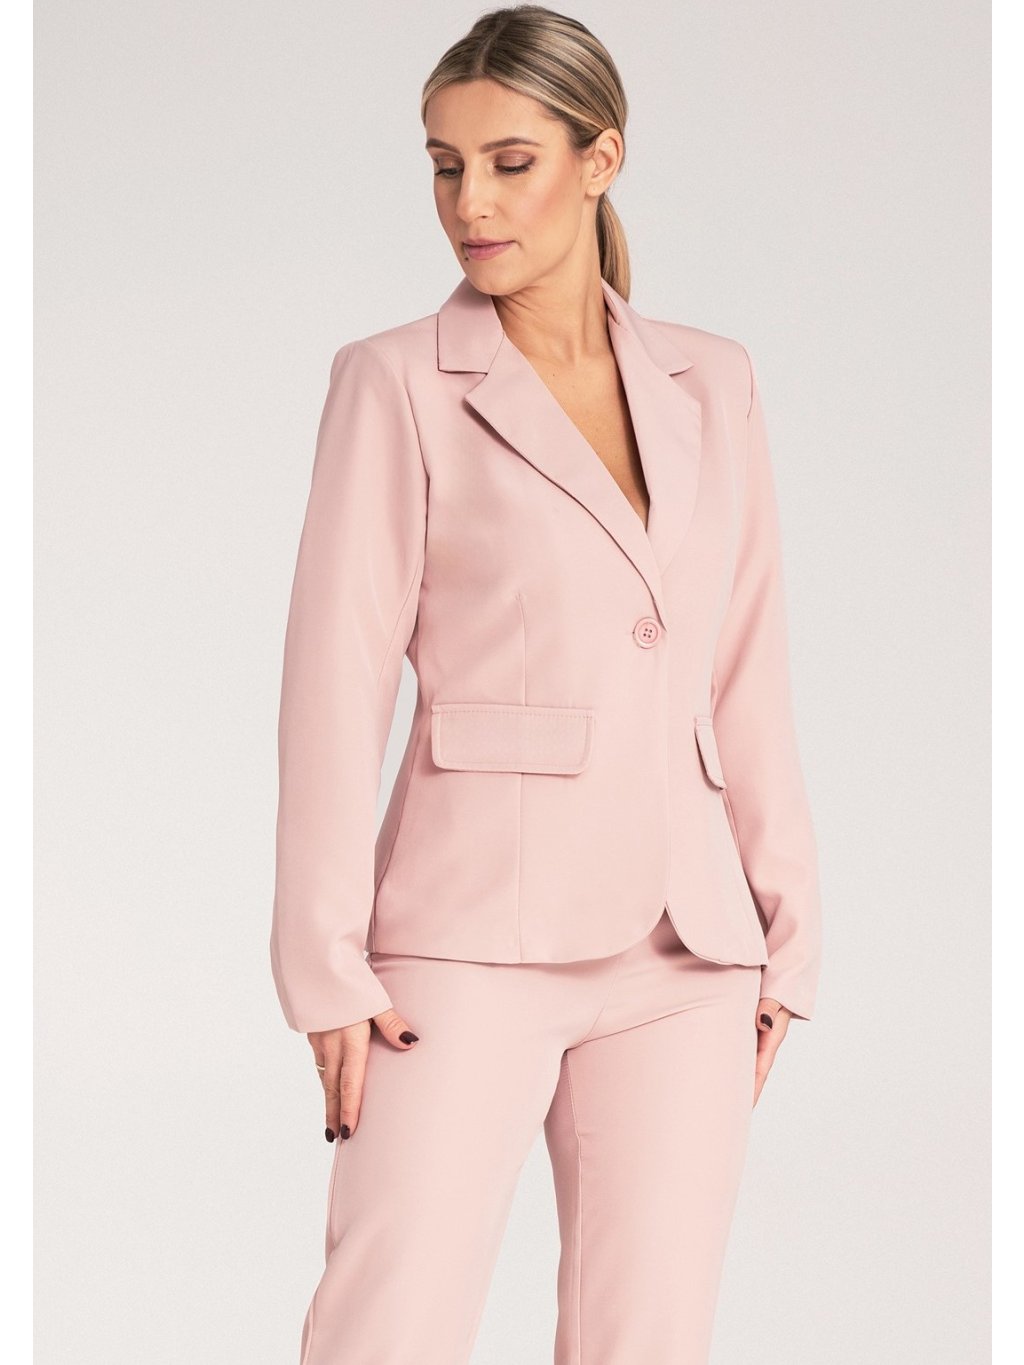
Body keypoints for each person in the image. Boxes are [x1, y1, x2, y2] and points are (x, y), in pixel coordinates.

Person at [269, 6, 823, 1362]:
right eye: (444, 165)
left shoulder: (714, 381)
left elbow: (745, 666)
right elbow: (334, 680)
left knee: (651, 1338)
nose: (470, 202)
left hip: (690, 950)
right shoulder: (395, 382)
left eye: (510, 163)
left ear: (600, 159)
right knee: (390, 1329)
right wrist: (322, 964)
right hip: (461, 939)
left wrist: (787, 931)